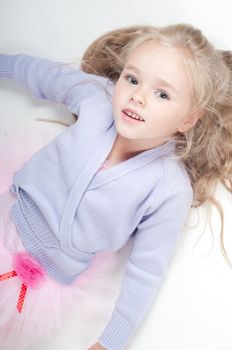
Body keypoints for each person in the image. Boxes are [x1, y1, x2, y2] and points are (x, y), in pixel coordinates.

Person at [0, 23, 231, 350]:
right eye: (132, 79)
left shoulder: (169, 189)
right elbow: (43, 74)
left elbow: (146, 271)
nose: (138, 96)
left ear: (187, 120)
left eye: (162, 94)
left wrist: (110, 342)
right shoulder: (97, 98)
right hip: (8, 213)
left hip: (42, 281)